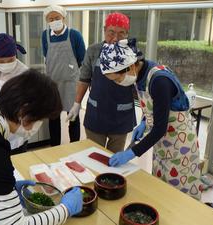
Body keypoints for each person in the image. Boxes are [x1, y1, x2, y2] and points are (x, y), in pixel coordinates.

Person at [0, 69, 83, 224]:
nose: (38, 125)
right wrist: (66, 209)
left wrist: (3, 187)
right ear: (24, 112)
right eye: (41, 118)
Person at [99, 39, 202, 200]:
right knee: (161, 190)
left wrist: (131, 153)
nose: (118, 83)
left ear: (131, 66)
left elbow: (160, 128)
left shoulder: (159, 81)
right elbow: (154, 107)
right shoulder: (139, 74)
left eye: (117, 79)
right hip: (162, 143)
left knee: (180, 198)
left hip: (180, 145)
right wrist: (143, 123)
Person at [66, 12, 136, 153]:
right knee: (94, 155)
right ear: (104, 30)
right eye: (111, 32)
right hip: (96, 113)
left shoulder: (132, 53)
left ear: (127, 34)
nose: (115, 38)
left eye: (121, 33)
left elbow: (139, 86)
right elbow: (84, 79)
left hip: (121, 116)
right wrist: (77, 103)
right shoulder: (93, 50)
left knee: (114, 159)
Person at [42, 5, 86, 146]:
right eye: (50, 19)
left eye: (57, 18)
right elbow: (46, 55)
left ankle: (74, 146)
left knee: (73, 116)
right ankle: (54, 147)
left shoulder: (74, 35)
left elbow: (82, 59)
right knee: (53, 118)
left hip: (71, 83)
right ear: (47, 20)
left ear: (64, 18)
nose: (54, 21)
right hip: (53, 84)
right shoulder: (45, 35)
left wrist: (70, 69)